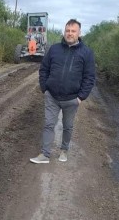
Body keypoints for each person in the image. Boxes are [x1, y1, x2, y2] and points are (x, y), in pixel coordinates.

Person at [30, 19, 95, 164]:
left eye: (73, 31)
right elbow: (44, 69)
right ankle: (45, 155)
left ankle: (64, 150)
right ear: (64, 32)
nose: (70, 33)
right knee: (48, 124)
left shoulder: (87, 53)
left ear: (79, 33)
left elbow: (89, 77)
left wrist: (81, 97)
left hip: (72, 99)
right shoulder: (54, 49)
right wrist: (45, 88)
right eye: (67, 30)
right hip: (52, 96)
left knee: (68, 126)